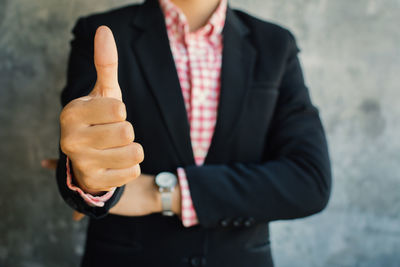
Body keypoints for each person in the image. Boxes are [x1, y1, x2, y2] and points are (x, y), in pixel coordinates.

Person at [53, 0, 332, 266]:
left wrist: (161, 193)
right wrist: (88, 180)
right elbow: (82, 151)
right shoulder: (102, 34)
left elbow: (309, 180)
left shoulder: (275, 44)